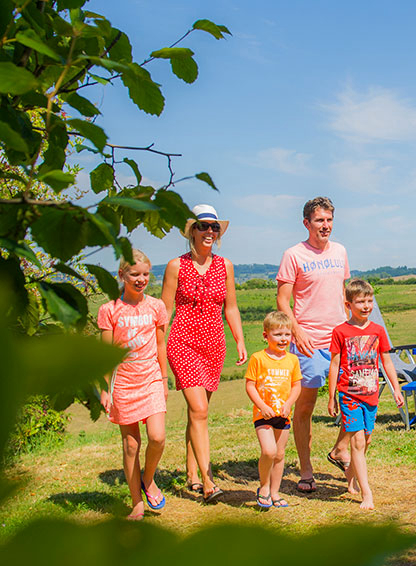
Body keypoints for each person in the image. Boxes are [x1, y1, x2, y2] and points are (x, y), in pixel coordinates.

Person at [161, 204, 247, 504]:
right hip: (182, 342)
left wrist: (239, 340)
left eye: (214, 227)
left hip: (214, 343)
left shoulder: (226, 266)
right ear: (191, 231)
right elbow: (166, 310)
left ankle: (192, 473)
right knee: (199, 411)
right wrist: (158, 346)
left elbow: (231, 307)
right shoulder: (175, 266)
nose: (209, 231)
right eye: (203, 226)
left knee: (198, 412)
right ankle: (209, 481)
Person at [276, 196, 350, 493]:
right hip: (308, 342)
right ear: (306, 223)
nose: (326, 226)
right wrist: (296, 331)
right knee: (305, 406)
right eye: (320, 220)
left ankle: (341, 449)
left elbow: (343, 292)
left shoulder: (341, 251)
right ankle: (306, 470)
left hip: (340, 340)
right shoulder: (294, 255)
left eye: (329, 220)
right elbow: (283, 299)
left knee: (353, 401)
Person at [97, 249, 169, 520]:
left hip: (150, 377)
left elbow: (160, 344)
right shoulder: (109, 310)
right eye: (135, 274)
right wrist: (105, 389)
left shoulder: (156, 306)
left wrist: (163, 379)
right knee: (131, 446)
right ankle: (137, 503)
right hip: (124, 384)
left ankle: (148, 479)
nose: (141, 279)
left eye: (146, 274)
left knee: (158, 437)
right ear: (121, 275)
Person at [326, 279, 404, 510]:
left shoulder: (378, 331)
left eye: (369, 301)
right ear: (348, 304)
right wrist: (331, 396)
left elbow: (387, 361)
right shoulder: (340, 331)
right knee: (358, 440)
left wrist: (396, 389)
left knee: (366, 439)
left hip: (371, 395)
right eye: (360, 301)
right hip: (349, 394)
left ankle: (351, 478)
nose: (366, 305)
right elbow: (334, 364)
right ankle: (366, 494)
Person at [244, 311, 302, 509]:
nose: (283, 339)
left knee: (279, 454)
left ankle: (275, 492)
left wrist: (288, 405)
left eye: (287, 334)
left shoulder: (292, 360)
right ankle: (264, 486)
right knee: (268, 451)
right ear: (265, 335)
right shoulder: (258, 358)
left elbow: (296, 386)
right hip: (263, 414)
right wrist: (262, 406)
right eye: (277, 334)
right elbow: (250, 386)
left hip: (284, 415)